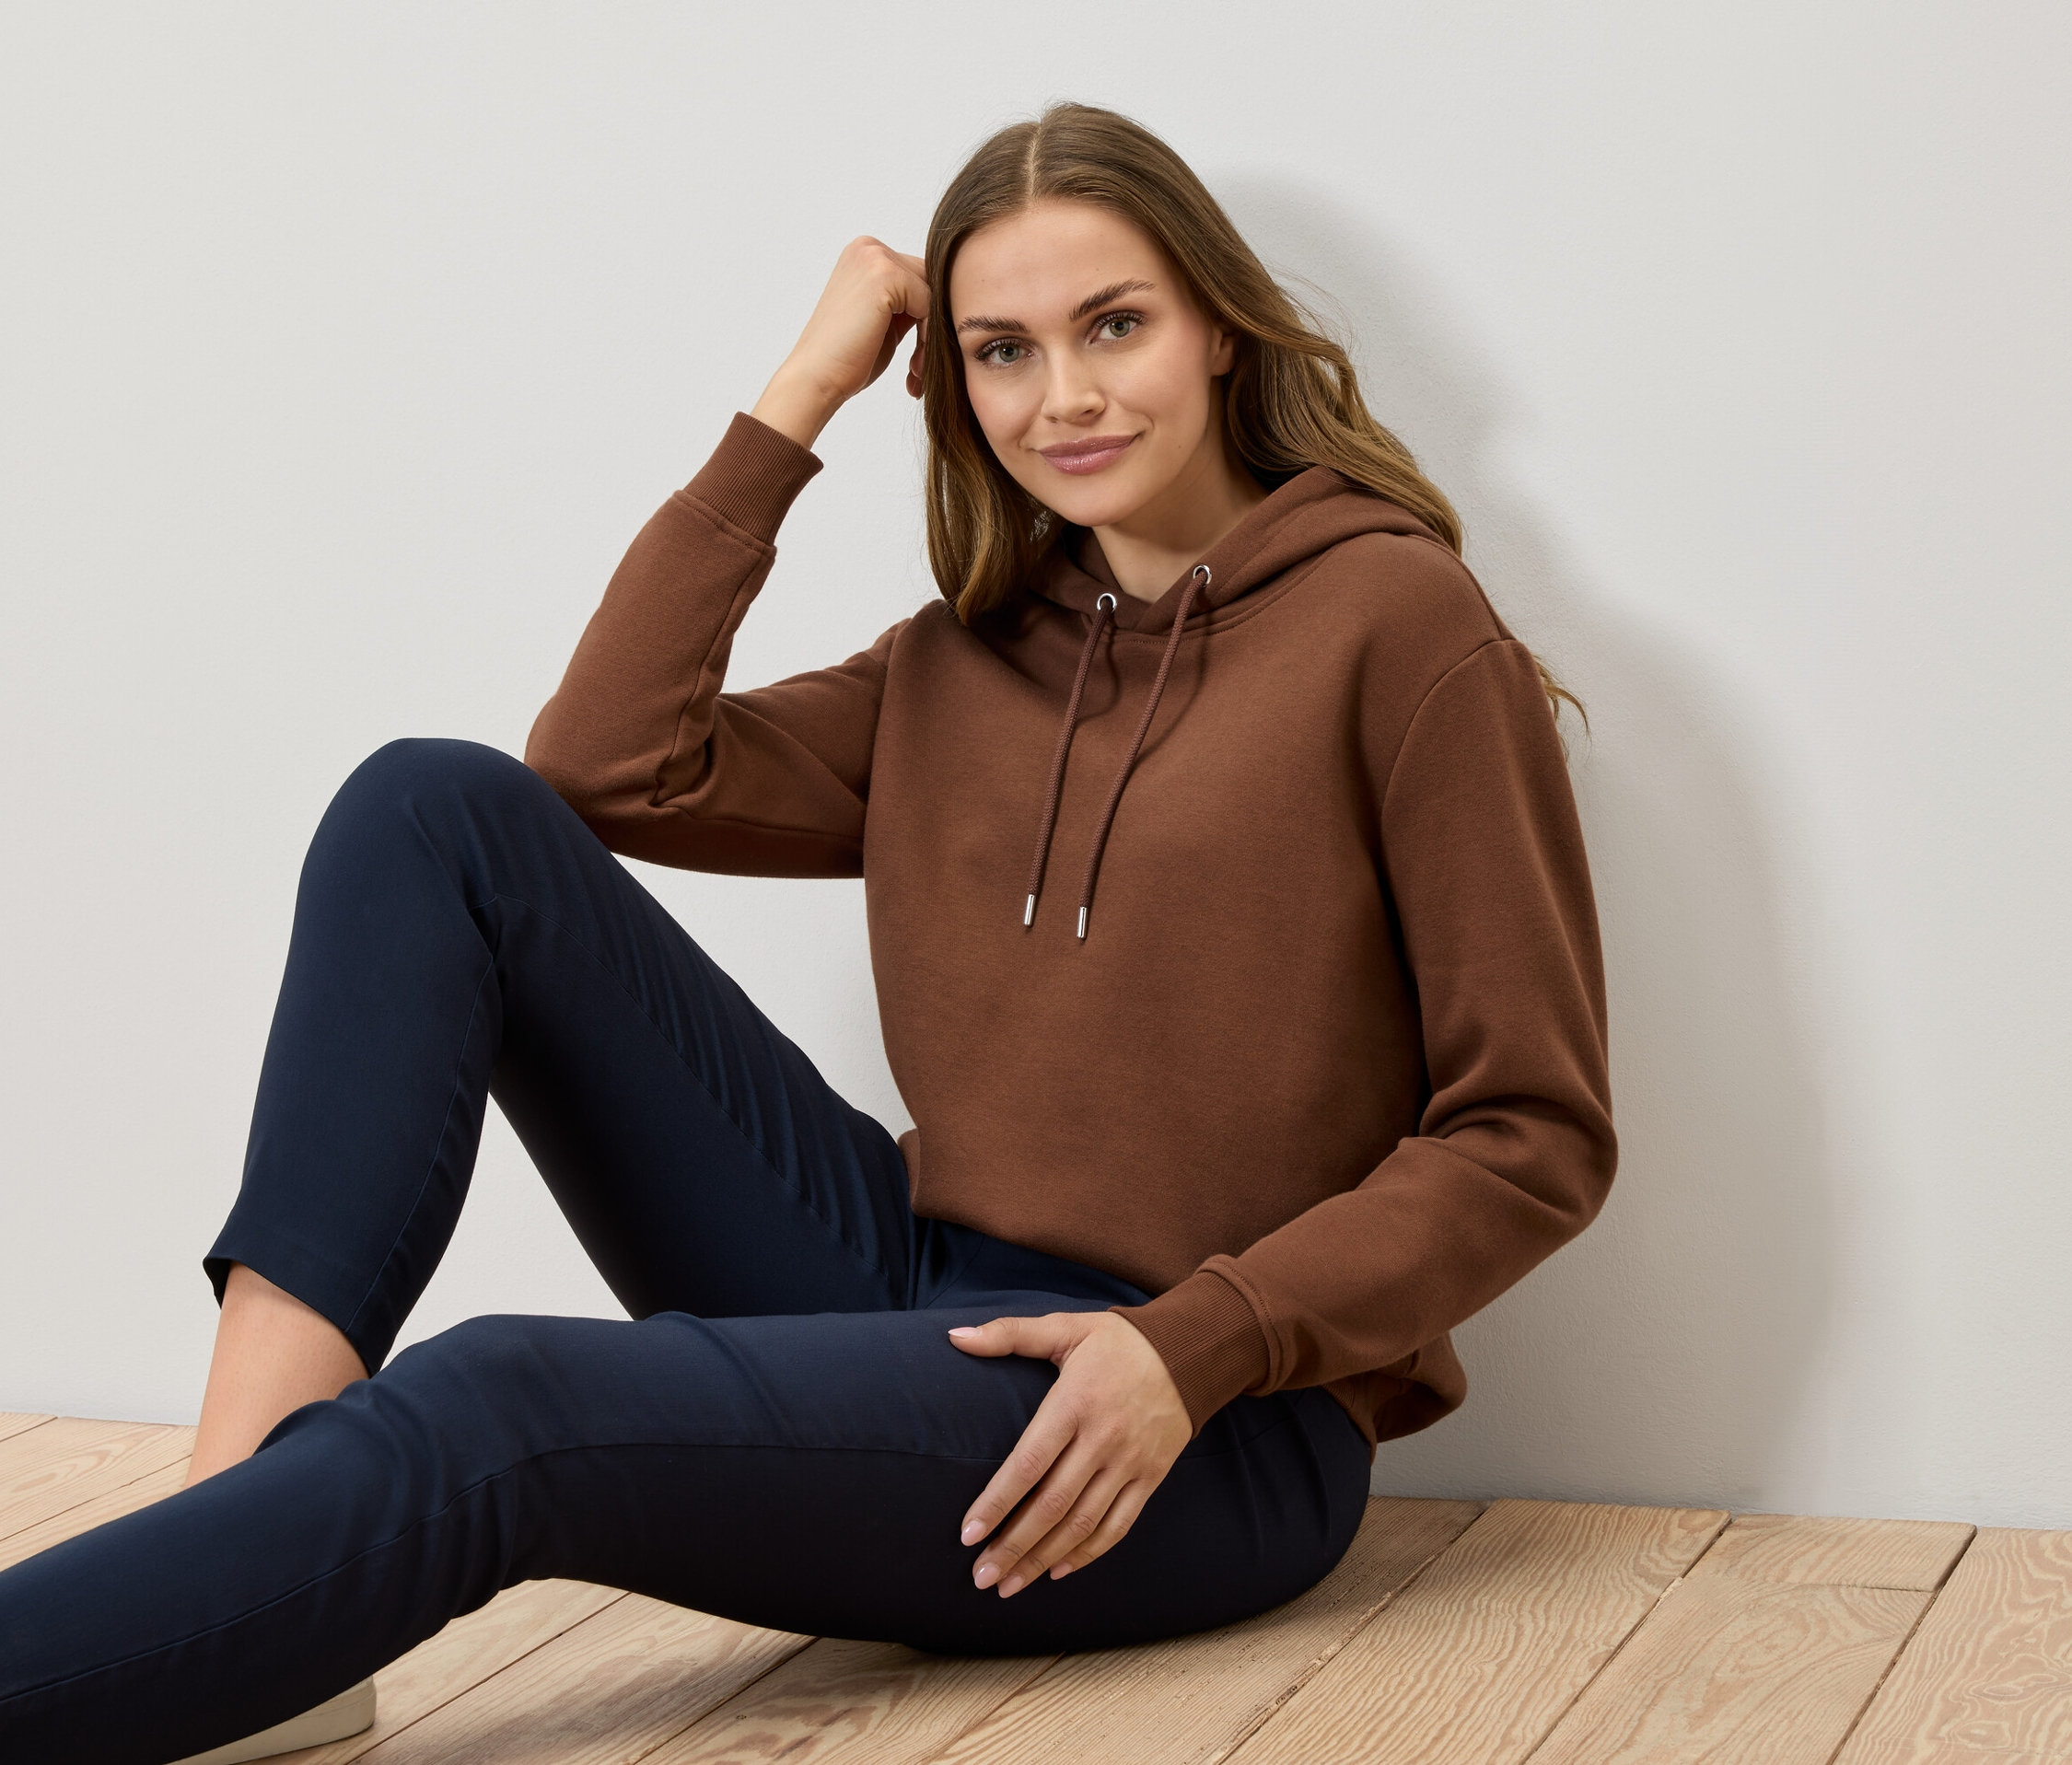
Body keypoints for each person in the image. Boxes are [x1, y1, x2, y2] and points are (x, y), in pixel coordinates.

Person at [0, 101, 1615, 1764]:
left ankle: (191, 1615)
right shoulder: (962, 661)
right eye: (999, 349)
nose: (1060, 396)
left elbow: (1530, 1136)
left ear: (1217, 327)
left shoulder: (1399, 626)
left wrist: (1187, 1343)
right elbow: (605, 765)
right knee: (431, 809)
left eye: (1112, 325)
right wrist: (802, 390)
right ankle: (248, 1553)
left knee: (499, 1403)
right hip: (902, 1282)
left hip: (1197, 1421)